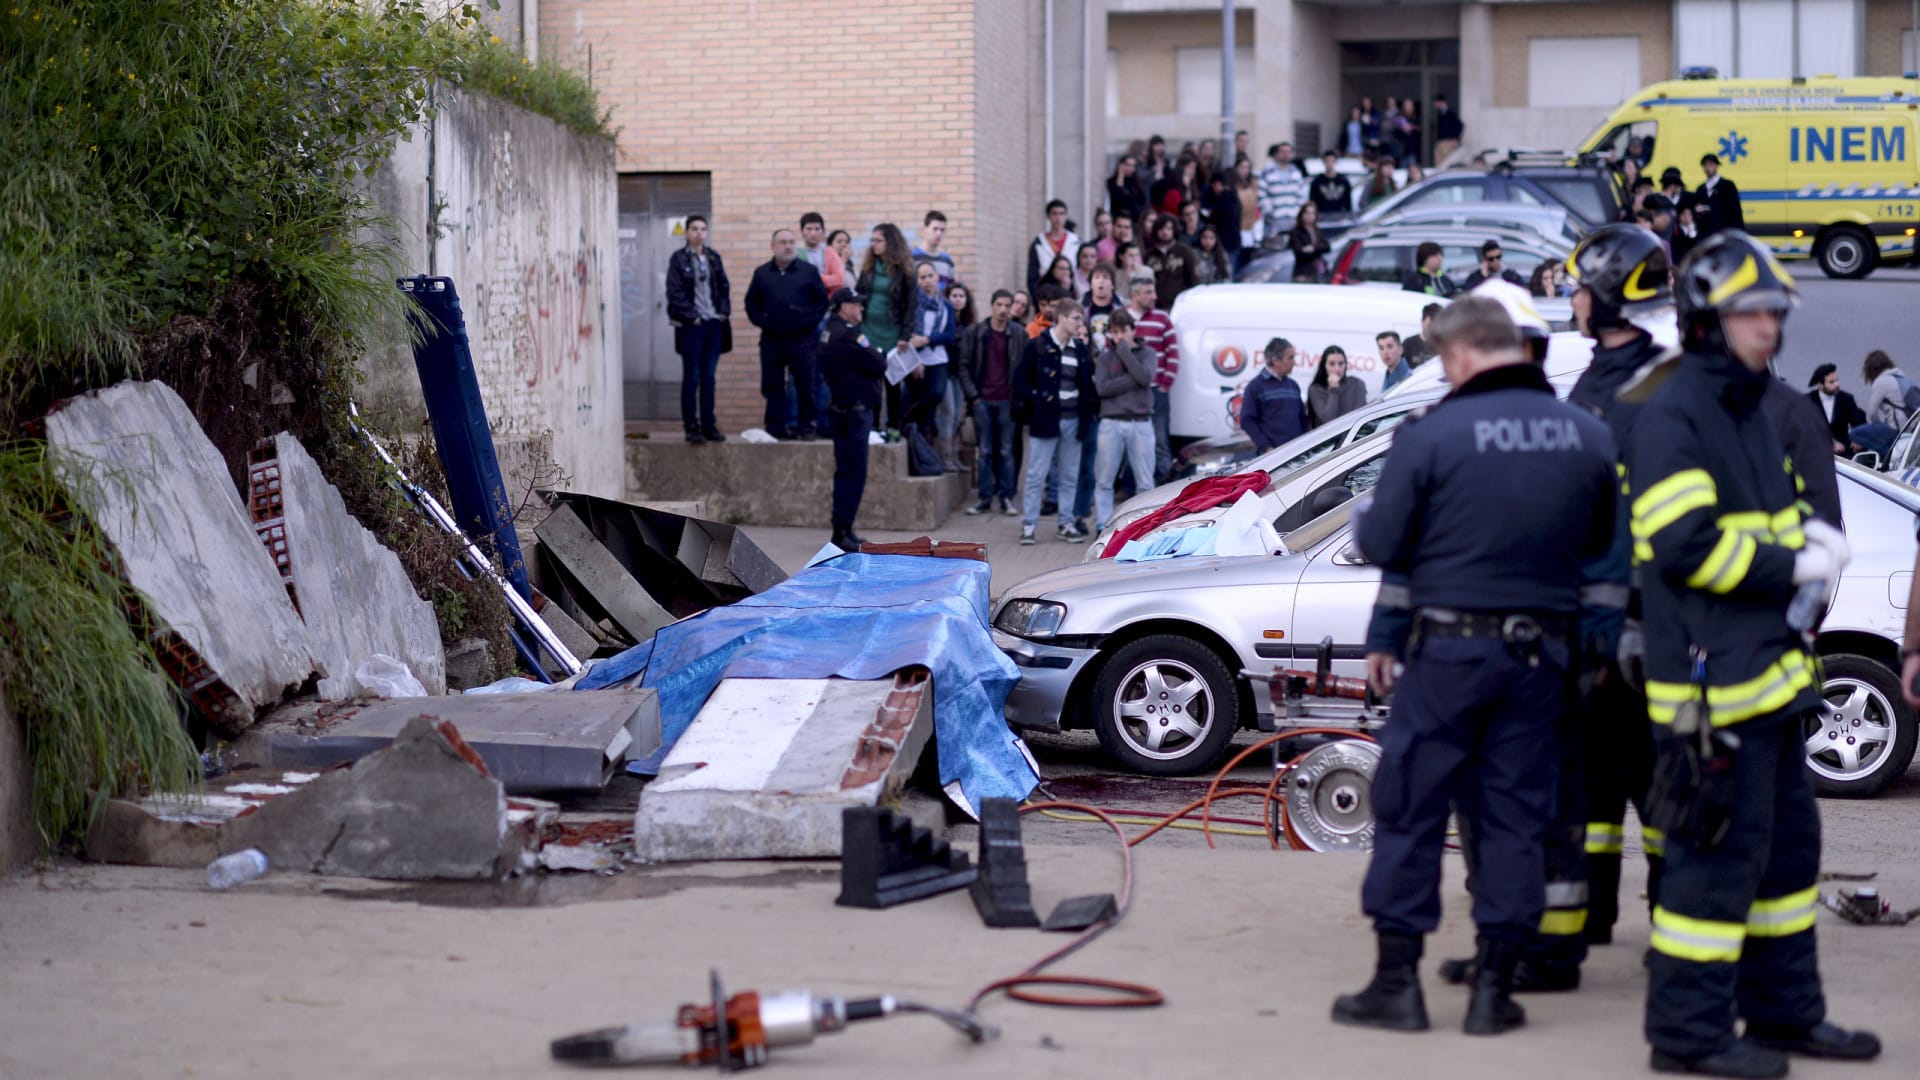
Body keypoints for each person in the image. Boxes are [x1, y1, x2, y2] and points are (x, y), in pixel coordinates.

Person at [1628, 231, 1879, 1076]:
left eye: (1775, 309)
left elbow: (1760, 526)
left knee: (1784, 864)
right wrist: (1794, 560)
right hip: (1711, 690)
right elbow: (1683, 546)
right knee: (1709, 868)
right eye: (1752, 311)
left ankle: (1784, 1015)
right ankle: (1688, 1035)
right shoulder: (1676, 411)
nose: (1770, 325)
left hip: (1770, 684)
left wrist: (1813, 544)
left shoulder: (1748, 408)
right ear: (1708, 318)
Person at [1336, 296, 1616, 1039]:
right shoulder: (1587, 436)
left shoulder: (1432, 435)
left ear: (1459, 356)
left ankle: (1397, 984)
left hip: (1447, 656)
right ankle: (1496, 990)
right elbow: (1600, 550)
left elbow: (1385, 542)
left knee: (1412, 809)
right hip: (1541, 659)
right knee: (1516, 817)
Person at [1012, 298, 1094, 544]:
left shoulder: (1079, 349)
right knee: (1037, 474)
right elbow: (1019, 380)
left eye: (1081, 318)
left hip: (1073, 421)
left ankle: (1066, 522)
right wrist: (1038, 398)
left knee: (1069, 475)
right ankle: (1029, 525)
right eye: (1076, 318)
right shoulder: (1037, 346)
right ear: (1062, 318)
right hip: (1046, 420)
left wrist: (1086, 414)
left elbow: (1087, 385)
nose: (1081, 324)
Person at [743, 228, 828, 440]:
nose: (788, 246)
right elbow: (751, 303)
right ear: (773, 246)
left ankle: (807, 427)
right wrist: (763, 322)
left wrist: (808, 321)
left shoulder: (808, 271)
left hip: (803, 340)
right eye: (782, 242)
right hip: (772, 339)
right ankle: (775, 428)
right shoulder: (762, 273)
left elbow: (821, 302)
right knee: (773, 385)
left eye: (791, 242)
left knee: (805, 386)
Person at [819, 287, 887, 552]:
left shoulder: (829, 331)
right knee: (853, 473)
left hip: (843, 410)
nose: (860, 309)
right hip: (853, 411)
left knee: (846, 471)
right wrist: (878, 355)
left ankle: (843, 528)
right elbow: (879, 364)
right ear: (842, 307)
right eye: (855, 305)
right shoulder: (847, 334)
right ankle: (842, 531)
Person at [664, 213, 731, 444]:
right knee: (692, 377)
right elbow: (674, 292)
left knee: (708, 377)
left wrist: (722, 313)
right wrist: (692, 317)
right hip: (691, 326)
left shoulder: (713, 257)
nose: (699, 232)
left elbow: (723, 286)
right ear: (687, 233)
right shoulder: (679, 259)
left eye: (703, 229)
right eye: (694, 229)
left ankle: (709, 426)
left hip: (713, 324)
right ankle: (691, 428)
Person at [958, 289, 1026, 516]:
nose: (1004, 310)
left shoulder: (1018, 333)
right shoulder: (977, 332)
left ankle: (1007, 498)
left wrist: (1016, 396)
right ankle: (984, 498)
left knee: (1007, 451)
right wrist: (974, 397)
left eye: (1008, 305)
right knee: (985, 451)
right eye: (999, 305)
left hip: (1007, 401)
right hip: (983, 401)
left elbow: (1024, 368)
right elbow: (964, 365)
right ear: (992, 306)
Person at [1091, 310, 1156, 532]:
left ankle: (1143, 527)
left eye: (1124, 331)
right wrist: (1133, 379)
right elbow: (1102, 389)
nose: (1120, 337)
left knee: (1145, 481)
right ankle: (1103, 525)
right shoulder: (1105, 357)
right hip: (1111, 422)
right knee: (1104, 479)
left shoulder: (1147, 353)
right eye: (1115, 332)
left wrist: (1126, 353)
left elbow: (1146, 379)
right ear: (1110, 333)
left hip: (1141, 421)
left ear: (1133, 330)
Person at [856, 223, 917, 432]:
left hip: (893, 333)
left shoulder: (905, 270)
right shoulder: (869, 267)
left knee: (892, 384)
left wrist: (905, 336)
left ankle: (893, 428)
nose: (874, 244)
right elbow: (859, 295)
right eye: (872, 240)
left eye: (878, 240)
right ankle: (871, 429)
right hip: (868, 330)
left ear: (890, 242)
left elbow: (911, 305)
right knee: (871, 383)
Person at [1127, 273, 1180, 484]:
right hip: (1129, 392)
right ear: (1135, 295)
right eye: (1148, 292)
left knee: (1160, 441)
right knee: (1130, 440)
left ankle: (1166, 486)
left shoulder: (1162, 319)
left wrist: (1165, 384)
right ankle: (1129, 487)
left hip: (1156, 390)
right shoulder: (1122, 318)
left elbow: (1173, 353)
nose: (1154, 296)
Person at [904, 260, 957, 469]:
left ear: (937, 277)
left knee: (936, 394)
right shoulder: (912, 304)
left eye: (930, 276)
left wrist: (927, 340)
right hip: (915, 359)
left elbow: (949, 335)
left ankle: (908, 420)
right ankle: (921, 448)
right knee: (919, 400)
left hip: (937, 359)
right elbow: (907, 333)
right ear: (917, 281)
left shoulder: (945, 306)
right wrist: (915, 357)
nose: (927, 281)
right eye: (922, 277)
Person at [1238, 337, 1307, 453]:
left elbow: (1302, 420)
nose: (1294, 362)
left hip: (1297, 454)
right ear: (1275, 360)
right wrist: (1266, 447)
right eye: (1290, 358)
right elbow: (1247, 421)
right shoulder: (1255, 386)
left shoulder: (1293, 385)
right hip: (1273, 457)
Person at [1853, 348, 1911, 459]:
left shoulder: (1881, 381)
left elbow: (1871, 414)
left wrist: (1877, 430)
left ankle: (1888, 455)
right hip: (1909, 428)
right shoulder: (1902, 378)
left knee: (1855, 434)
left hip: (1897, 428)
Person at [1027, 198, 1082, 295]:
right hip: (1046, 293)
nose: (1058, 218)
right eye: (1054, 213)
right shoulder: (1039, 243)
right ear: (1048, 216)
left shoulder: (1075, 242)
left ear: (1066, 216)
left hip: (1070, 292)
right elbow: (1032, 276)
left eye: (1061, 214)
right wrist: (1037, 298)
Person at [1806, 364, 1864, 454]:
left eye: (1837, 380)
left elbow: (1857, 420)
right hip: (1817, 449)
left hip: (1844, 450)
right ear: (1820, 385)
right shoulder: (1808, 401)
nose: (1837, 384)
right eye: (1832, 382)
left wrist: (1858, 439)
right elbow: (1806, 427)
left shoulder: (1846, 398)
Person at [1145, 214, 1200, 306]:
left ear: (1174, 230)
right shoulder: (1148, 255)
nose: (1165, 232)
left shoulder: (1185, 251)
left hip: (1180, 304)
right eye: (1161, 229)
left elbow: (1194, 279)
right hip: (1155, 304)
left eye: (1169, 228)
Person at [1258, 143, 1309, 236]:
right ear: (1277, 154)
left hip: (1293, 220)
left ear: (1292, 154)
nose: (1285, 154)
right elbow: (1261, 195)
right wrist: (1269, 212)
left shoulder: (1296, 173)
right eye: (1283, 152)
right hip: (1274, 221)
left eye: (1288, 152)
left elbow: (1302, 196)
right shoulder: (1268, 172)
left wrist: (1297, 213)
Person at [1308, 345, 1366, 426]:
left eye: (1341, 363)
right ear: (1324, 366)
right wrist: (1334, 390)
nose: (1337, 369)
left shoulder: (1357, 384)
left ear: (1345, 365)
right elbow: (1328, 420)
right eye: (1332, 364)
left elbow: (1360, 417)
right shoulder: (1315, 389)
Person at [1695, 153, 1745, 236]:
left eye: (1711, 164)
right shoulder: (1701, 190)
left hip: (1724, 234)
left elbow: (1736, 212)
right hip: (1707, 235)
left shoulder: (1728, 186)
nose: (1708, 168)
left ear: (1716, 166)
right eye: (1705, 165)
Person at [1203, 171, 1243, 269]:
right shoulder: (1235, 198)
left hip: (1225, 242)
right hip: (1234, 241)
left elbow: (1214, 219)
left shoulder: (1222, 200)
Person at [798, 212, 846, 292]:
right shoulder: (796, 254)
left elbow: (839, 279)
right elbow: (798, 280)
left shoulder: (830, 252)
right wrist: (827, 279)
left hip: (826, 300)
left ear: (823, 231)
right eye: (809, 229)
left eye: (817, 229)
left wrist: (814, 278)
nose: (813, 233)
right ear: (802, 231)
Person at [911, 210, 955, 291]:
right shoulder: (912, 257)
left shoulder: (947, 260)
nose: (939, 233)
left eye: (942, 230)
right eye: (935, 229)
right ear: (925, 229)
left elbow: (950, 289)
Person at [1290, 202, 1332, 282]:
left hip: (1319, 271)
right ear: (1301, 214)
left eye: (1312, 213)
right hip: (1303, 273)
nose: (1309, 216)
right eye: (1307, 213)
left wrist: (1313, 248)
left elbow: (1327, 246)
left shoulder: (1316, 230)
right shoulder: (1296, 232)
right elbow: (1299, 252)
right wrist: (1317, 249)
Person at [1232, 156, 1262, 263]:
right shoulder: (1232, 186)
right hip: (1237, 229)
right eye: (1242, 167)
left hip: (1250, 230)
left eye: (1247, 167)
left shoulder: (1253, 185)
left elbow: (1256, 207)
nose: (1245, 170)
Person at [1311, 150, 1354, 217]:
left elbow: (1348, 203)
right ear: (1324, 162)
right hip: (1322, 216)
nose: (1330, 164)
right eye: (1327, 161)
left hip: (1339, 216)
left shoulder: (1343, 181)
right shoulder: (1317, 182)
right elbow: (1313, 202)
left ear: (1336, 162)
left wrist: (1349, 216)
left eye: (1332, 161)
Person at [1108, 155, 1148, 227]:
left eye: (1133, 166)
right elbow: (1118, 198)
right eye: (1128, 165)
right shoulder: (1112, 182)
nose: (1131, 168)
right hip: (1119, 220)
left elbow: (1142, 201)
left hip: (1135, 220)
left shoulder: (1137, 183)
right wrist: (1121, 175)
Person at [1433, 94, 1463, 164]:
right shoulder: (1440, 112)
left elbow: (1460, 125)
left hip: (1448, 141)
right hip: (1441, 141)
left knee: (1446, 161)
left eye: (1436, 102)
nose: (1435, 104)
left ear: (1440, 102)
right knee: (1439, 161)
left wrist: (1455, 138)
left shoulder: (1449, 112)